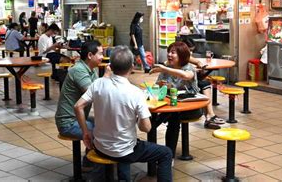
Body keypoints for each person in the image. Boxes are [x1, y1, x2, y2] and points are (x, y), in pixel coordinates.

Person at [74, 45, 173, 181]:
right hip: (124, 151)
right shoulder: (135, 93)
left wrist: (85, 132)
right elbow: (146, 128)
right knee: (166, 153)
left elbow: (78, 106)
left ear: (110, 66)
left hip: (99, 146)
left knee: (127, 144)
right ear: (132, 67)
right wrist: (137, 116)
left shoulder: (98, 84)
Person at [55, 40, 104, 169]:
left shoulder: (91, 70)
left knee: (104, 126)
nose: (102, 57)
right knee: (101, 132)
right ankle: (97, 171)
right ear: (90, 55)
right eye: (100, 53)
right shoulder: (79, 70)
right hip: (68, 122)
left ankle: (89, 163)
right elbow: (94, 94)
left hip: (77, 118)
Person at [150, 41, 201, 157]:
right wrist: (161, 84)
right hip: (172, 105)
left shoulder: (189, 68)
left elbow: (186, 76)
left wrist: (164, 69)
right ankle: (163, 153)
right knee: (171, 114)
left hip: (191, 108)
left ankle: (169, 155)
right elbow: (156, 85)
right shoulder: (167, 68)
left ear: (182, 54)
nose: (169, 55)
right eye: (168, 52)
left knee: (173, 117)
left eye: (173, 53)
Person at [183, 38, 226, 129]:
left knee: (204, 84)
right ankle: (210, 116)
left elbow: (196, 62)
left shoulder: (184, 55)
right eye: (189, 50)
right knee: (204, 85)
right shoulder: (181, 54)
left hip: (187, 81)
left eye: (192, 50)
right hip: (180, 83)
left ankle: (209, 117)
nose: (191, 52)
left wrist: (198, 66)